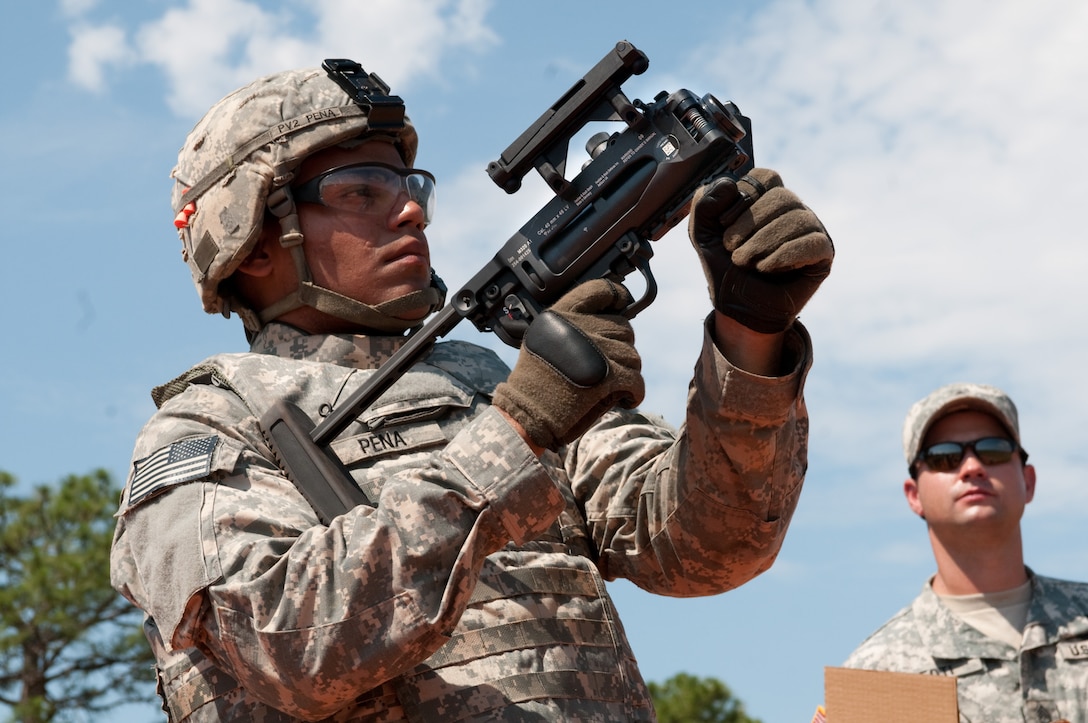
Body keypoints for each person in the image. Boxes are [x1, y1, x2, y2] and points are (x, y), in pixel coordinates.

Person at [110, 58, 834, 721]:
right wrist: (513, 436)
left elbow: (705, 545)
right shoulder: (208, 426)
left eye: (408, 185)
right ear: (252, 239)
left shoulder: (484, 380)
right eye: (359, 190)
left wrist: (750, 334)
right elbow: (284, 645)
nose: (410, 211)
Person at [844, 382, 1088, 723]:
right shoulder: (879, 673)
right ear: (913, 495)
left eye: (994, 450)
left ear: (1028, 481)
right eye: (944, 456)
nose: (972, 467)